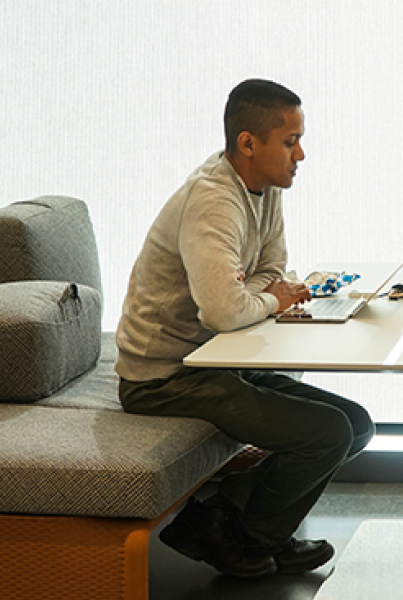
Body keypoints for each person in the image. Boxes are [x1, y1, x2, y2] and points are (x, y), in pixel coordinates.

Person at [114, 79, 375, 578]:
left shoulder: (264, 188)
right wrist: (265, 297)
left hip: (218, 358)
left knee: (356, 424)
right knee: (327, 432)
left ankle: (224, 522)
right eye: (290, 141)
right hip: (164, 379)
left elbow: (273, 272)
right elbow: (223, 311)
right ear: (248, 143)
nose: (301, 153)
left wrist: (258, 293)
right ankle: (253, 535)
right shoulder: (212, 201)